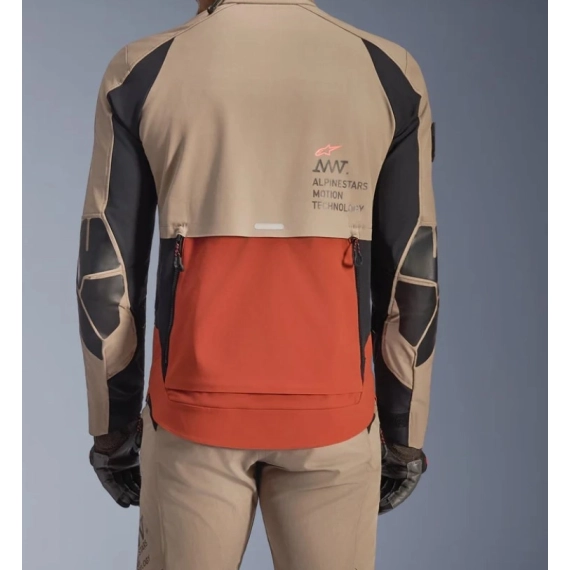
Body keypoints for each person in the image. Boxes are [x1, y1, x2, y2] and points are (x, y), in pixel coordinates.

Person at [76, 0, 439, 568]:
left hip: (191, 418)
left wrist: (112, 429)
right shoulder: (390, 73)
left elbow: (105, 276)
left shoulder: (142, 70)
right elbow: (413, 278)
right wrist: (403, 432)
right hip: (336, 418)